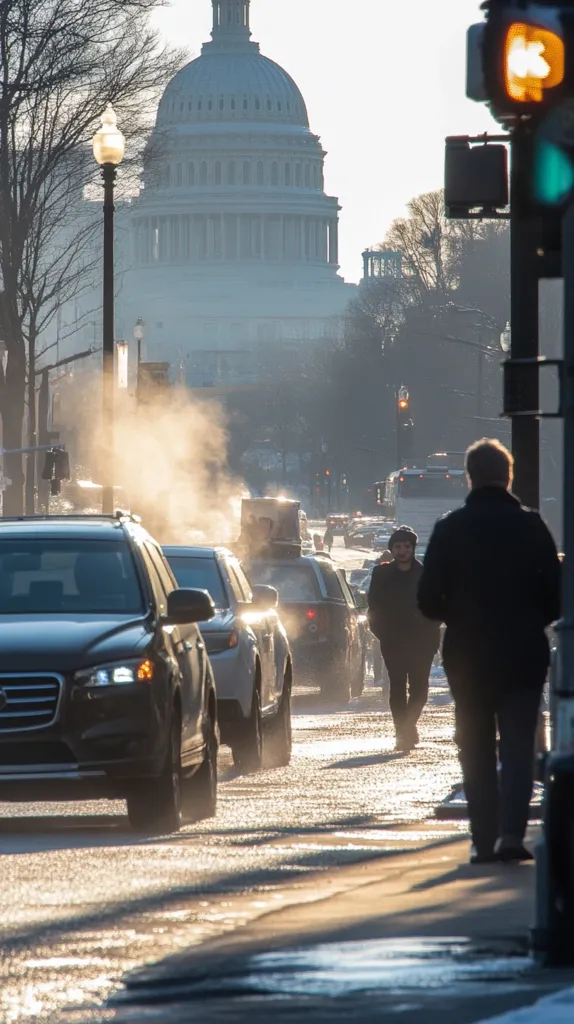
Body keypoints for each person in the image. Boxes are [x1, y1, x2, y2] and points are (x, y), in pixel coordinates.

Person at [418, 438, 561, 864]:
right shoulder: (532, 526)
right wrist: (530, 618)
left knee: (476, 747)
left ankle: (482, 839)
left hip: (469, 656)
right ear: (508, 476)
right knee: (518, 748)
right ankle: (512, 836)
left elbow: (427, 600)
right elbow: (556, 595)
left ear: (470, 477)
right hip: (522, 654)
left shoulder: (450, 528)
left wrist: (458, 616)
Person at [368, 526, 441, 751]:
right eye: (398, 547)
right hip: (393, 640)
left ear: (413, 548)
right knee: (397, 686)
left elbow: (439, 605)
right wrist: (382, 633)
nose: (402, 551)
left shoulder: (428, 574)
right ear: (391, 549)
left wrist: (429, 627)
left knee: (419, 688)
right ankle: (401, 731)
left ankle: (409, 726)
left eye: (406, 546)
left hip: (423, 641)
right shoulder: (381, 574)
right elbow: (374, 607)